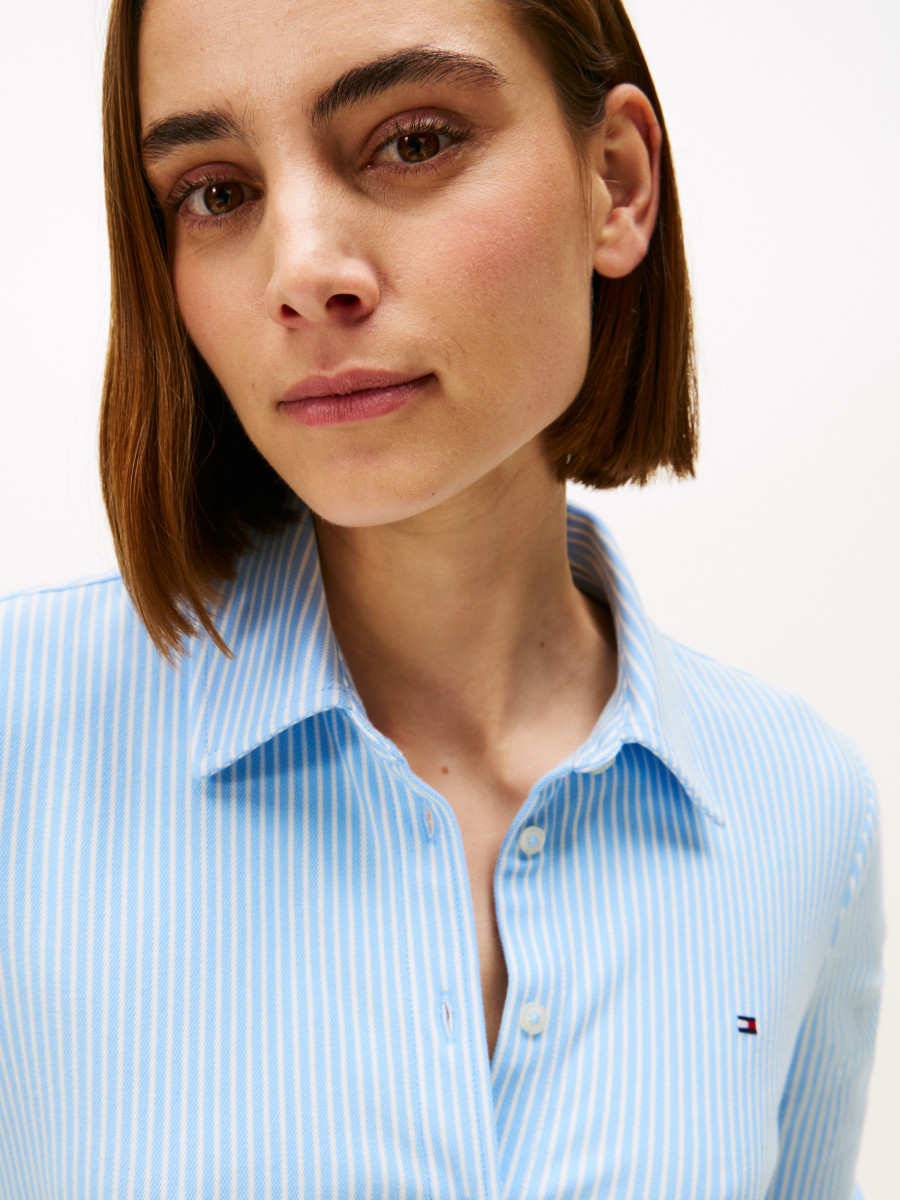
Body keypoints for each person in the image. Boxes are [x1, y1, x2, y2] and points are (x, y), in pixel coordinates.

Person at [0, 0, 883, 1196]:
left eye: (412, 142)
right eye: (216, 192)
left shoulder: (802, 809)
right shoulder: (19, 745)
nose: (303, 272)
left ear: (617, 184)